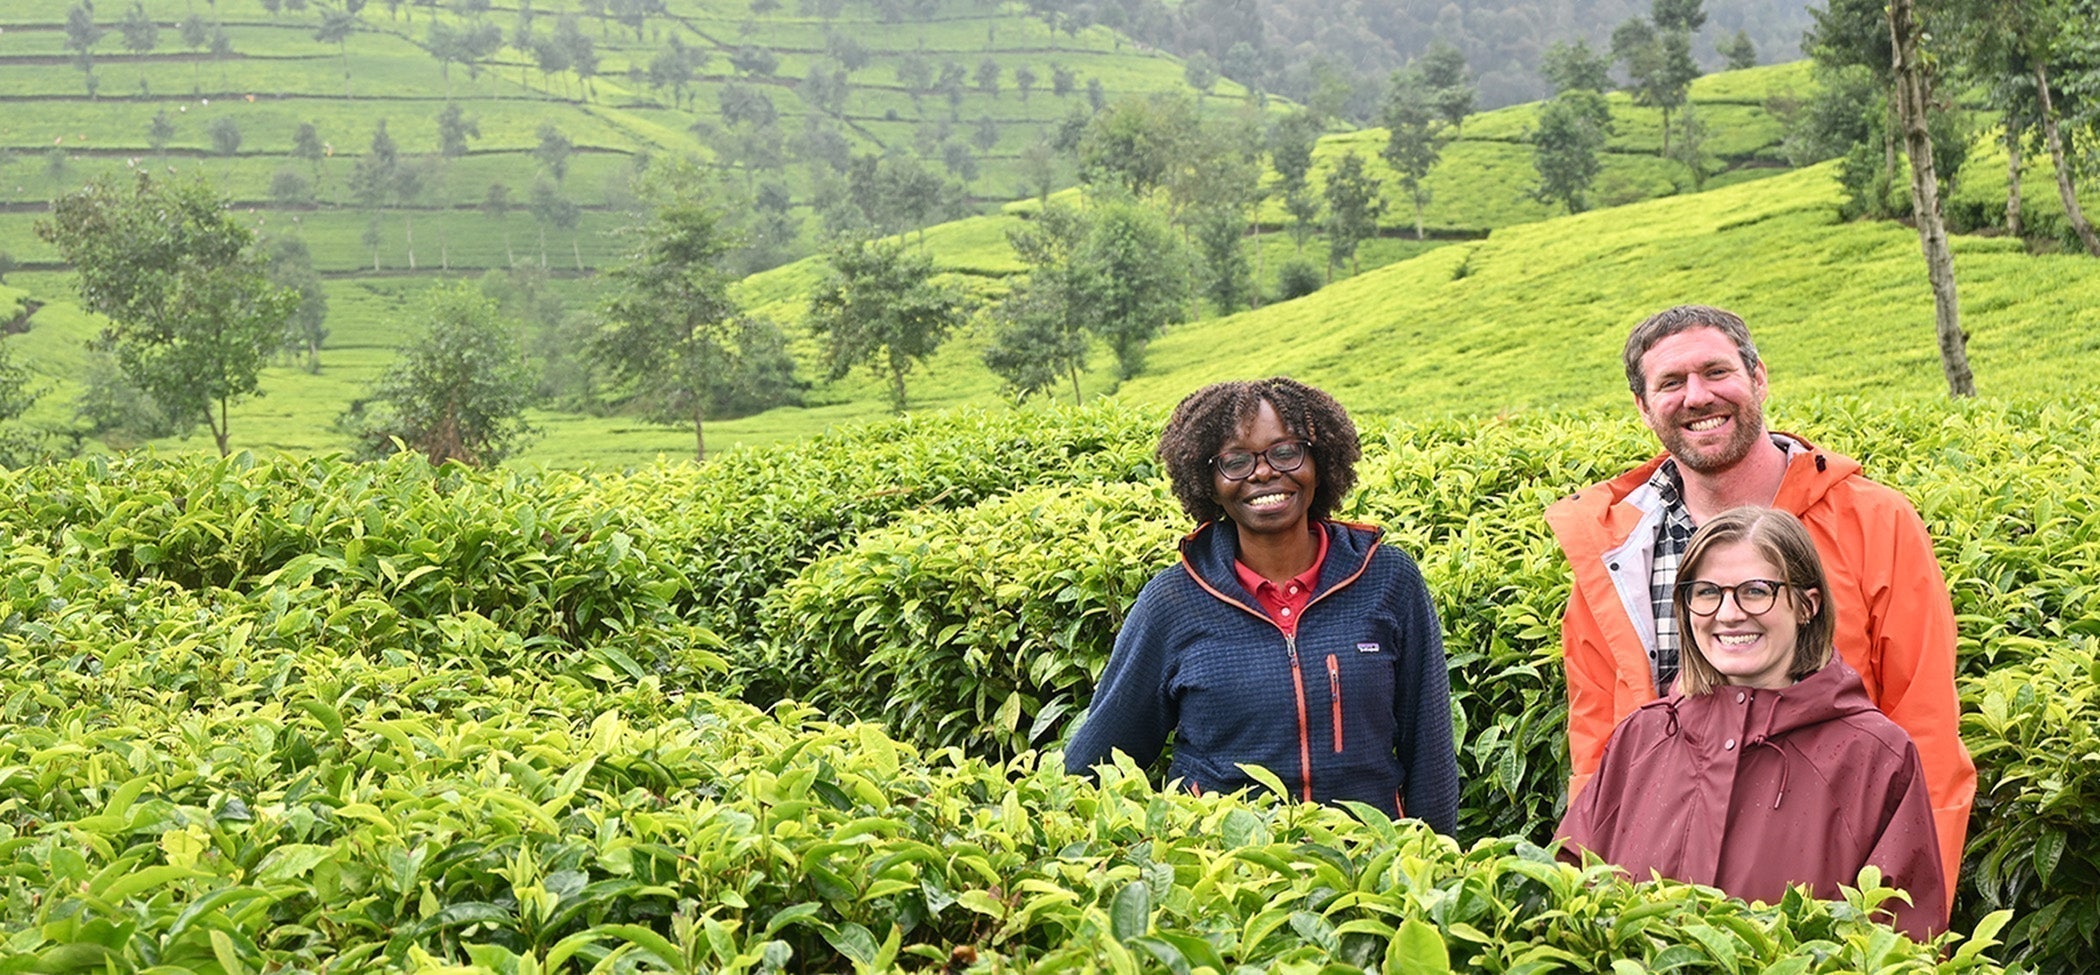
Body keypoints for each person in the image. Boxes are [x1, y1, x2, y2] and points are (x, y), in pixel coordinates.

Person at [1545, 305, 1972, 892]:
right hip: (1655, 885)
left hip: (1819, 870)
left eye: (1715, 372)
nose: (1697, 396)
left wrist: (1905, 928)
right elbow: (1596, 747)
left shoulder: (1875, 522)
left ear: (1758, 379)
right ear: (1644, 408)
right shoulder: (1615, 547)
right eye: (1670, 383)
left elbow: (1926, 731)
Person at [1064, 378, 1459, 834]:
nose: (1264, 473)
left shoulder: (1387, 578)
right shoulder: (1172, 602)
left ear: (1319, 462)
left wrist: (1437, 871)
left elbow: (1429, 749)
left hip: (1370, 872)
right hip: (1228, 884)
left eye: (1286, 453)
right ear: (1208, 483)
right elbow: (1096, 763)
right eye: (1236, 462)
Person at [1556, 507, 1946, 941]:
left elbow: (1902, 944)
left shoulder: (1875, 756)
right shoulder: (1641, 737)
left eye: (1756, 591)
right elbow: (1571, 904)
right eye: (1706, 592)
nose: (1728, 614)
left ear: (1806, 605)